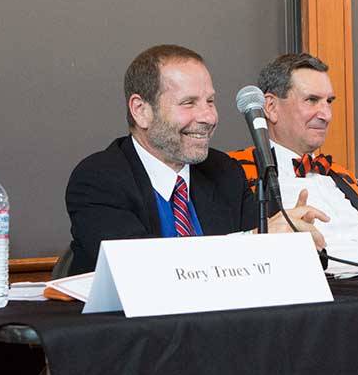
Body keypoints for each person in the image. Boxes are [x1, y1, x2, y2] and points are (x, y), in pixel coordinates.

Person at [65, 45, 327, 276]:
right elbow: (142, 272)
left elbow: (271, 257)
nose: (209, 117)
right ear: (141, 111)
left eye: (210, 101)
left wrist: (294, 243)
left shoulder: (223, 171)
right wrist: (253, 241)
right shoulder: (99, 179)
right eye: (188, 103)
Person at [228, 53, 358, 275]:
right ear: (271, 107)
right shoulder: (234, 170)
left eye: (329, 102)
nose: (327, 115)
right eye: (311, 100)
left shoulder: (342, 176)